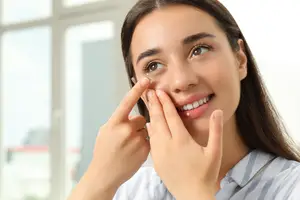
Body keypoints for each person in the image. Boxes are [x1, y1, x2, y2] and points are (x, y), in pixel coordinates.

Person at [67, 0, 300, 199]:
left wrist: (193, 190)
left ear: (239, 59)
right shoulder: (132, 191)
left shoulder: (292, 187)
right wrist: (97, 180)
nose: (181, 81)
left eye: (199, 50)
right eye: (154, 65)